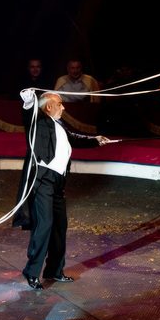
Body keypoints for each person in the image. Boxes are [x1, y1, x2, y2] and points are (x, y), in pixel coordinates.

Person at [13, 90, 110, 290]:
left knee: (59, 226)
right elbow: (28, 110)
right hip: (42, 180)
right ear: (49, 106)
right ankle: (32, 272)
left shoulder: (60, 124)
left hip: (58, 182)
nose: (64, 107)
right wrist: (29, 97)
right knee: (45, 224)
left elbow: (73, 138)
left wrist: (95, 140)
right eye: (60, 104)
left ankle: (54, 271)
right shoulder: (38, 122)